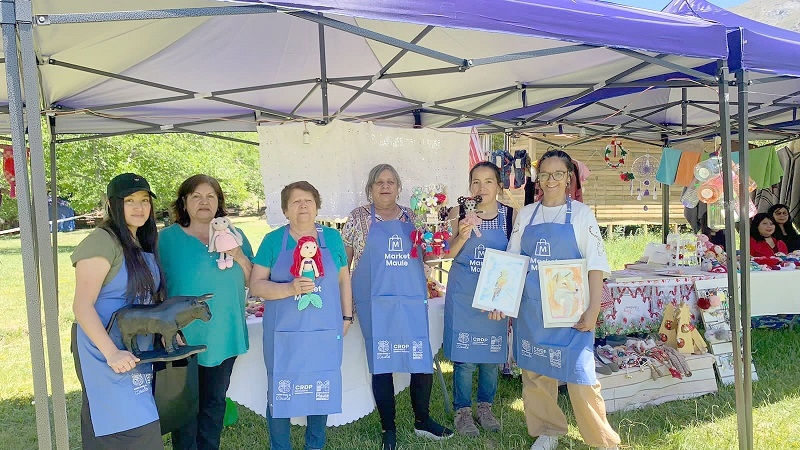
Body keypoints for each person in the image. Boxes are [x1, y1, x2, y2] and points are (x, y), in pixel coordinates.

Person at [506, 150, 620, 450]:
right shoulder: (527, 214)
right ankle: (547, 431)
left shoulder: (582, 215)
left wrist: (594, 309)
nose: (551, 180)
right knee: (536, 374)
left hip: (571, 311)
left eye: (559, 174)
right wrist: (502, 301)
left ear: (569, 178)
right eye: (545, 174)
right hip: (531, 309)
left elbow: (596, 264)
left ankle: (602, 441)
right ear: (537, 178)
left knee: (581, 377)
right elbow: (512, 260)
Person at [342, 163, 453, 450]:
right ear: (370, 188)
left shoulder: (414, 217)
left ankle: (422, 421)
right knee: (381, 366)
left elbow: (429, 256)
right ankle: (387, 428)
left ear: (399, 187)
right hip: (374, 305)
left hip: (410, 301)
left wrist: (447, 231)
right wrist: (342, 303)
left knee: (421, 361)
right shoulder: (358, 218)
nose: (385, 186)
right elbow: (344, 263)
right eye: (379, 182)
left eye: (391, 181)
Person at [249, 181, 353, 450]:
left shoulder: (332, 238)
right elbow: (256, 284)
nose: (303, 206)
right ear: (285, 210)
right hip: (283, 333)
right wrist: (288, 288)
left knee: (322, 387)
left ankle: (315, 445)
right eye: (295, 202)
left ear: (317, 206)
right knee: (280, 390)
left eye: (308, 200)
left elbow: (344, 278)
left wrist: (346, 316)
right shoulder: (273, 240)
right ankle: (280, 446)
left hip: (325, 329)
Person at [158, 174, 254, 450]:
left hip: (225, 332)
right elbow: (154, 287)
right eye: (196, 196)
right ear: (184, 203)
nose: (204, 202)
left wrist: (238, 255)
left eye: (210, 196)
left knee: (214, 404)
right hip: (182, 337)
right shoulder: (166, 239)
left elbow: (252, 280)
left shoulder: (235, 235)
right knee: (186, 407)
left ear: (219, 203)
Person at [71, 173, 165, 449]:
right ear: (113, 205)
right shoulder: (102, 241)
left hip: (134, 346)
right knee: (124, 426)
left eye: (145, 200)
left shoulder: (141, 242)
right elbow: (82, 305)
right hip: (105, 349)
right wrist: (110, 352)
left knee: (137, 423)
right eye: (130, 201)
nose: (139, 207)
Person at [442, 161, 516, 437]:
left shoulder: (511, 216)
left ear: (498, 186)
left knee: (490, 356)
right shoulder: (457, 212)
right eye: (475, 182)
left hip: (495, 296)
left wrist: (505, 299)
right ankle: (462, 411)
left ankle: (485, 407)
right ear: (469, 187)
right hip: (464, 293)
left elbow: (516, 257)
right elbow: (447, 253)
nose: (481, 187)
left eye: (488, 181)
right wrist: (461, 235)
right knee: (464, 358)